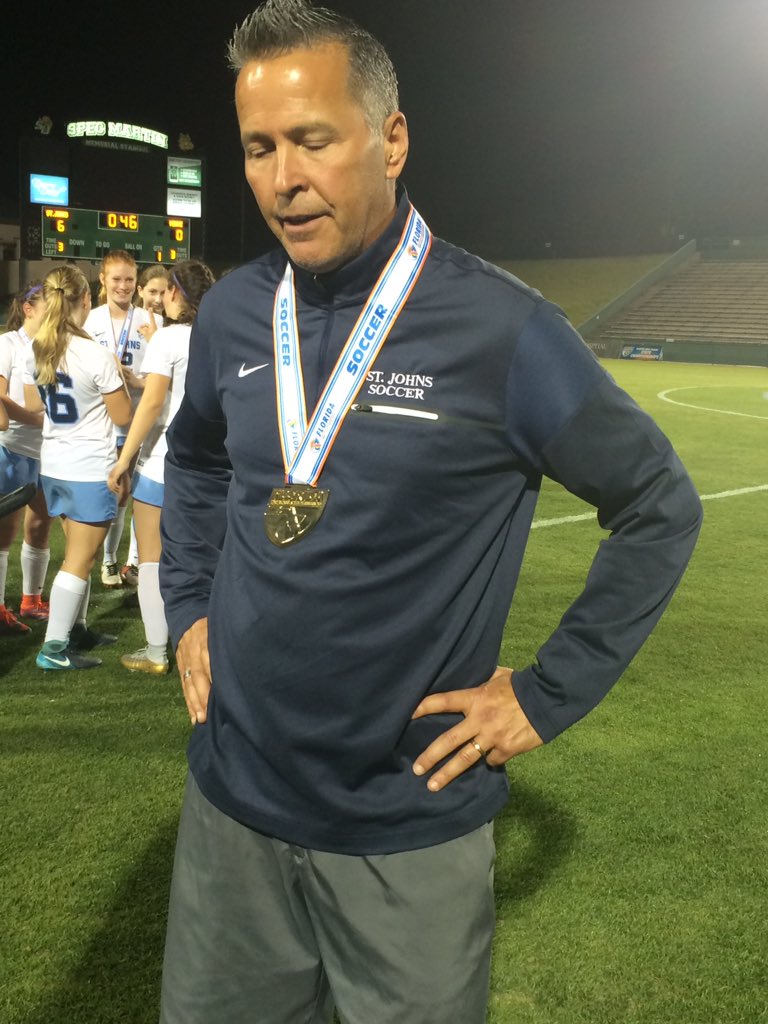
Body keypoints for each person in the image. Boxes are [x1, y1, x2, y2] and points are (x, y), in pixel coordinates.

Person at [157, 2, 703, 1021]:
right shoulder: (231, 312)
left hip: (408, 830)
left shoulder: (503, 330)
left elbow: (659, 504)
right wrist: (187, 600)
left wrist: (544, 694)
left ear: (392, 139)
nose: (283, 178)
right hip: (230, 811)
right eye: (259, 148)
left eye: (312, 139)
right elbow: (191, 461)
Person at [107, 260, 215, 674]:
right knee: (204, 559)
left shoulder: (168, 338)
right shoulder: (217, 335)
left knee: (151, 557)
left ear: (174, 293)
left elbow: (152, 403)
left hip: (162, 461)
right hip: (207, 465)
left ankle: (156, 651)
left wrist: (124, 459)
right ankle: (208, 645)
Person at [23, 265, 132, 670]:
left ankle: (77, 628)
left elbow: (34, 403)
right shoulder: (93, 353)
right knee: (79, 560)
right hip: (88, 468)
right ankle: (53, 649)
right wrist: (121, 378)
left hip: (55, 464)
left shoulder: (40, 346)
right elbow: (123, 415)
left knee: (78, 553)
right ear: (86, 300)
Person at [83, 250, 161, 589]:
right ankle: (104, 558)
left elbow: (162, 371)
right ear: (103, 279)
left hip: (141, 420)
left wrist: (138, 380)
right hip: (102, 420)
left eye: (130, 279)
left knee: (132, 493)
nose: (124, 286)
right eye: (116, 278)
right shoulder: (90, 320)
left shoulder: (150, 320)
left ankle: (122, 560)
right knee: (111, 492)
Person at [0, 283, 54, 633]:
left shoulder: (53, 344)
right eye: (48, 305)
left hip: (48, 450)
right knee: (4, 531)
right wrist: (37, 420)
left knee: (41, 525)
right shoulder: (8, 344)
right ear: (28, 308)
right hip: (14, 446)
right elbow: (1, 398)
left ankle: (31, 600)